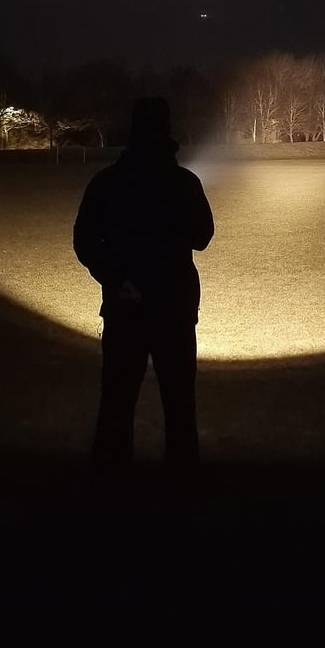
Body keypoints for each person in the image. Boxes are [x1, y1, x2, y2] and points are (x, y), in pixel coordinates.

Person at [73, 96, 214, 499]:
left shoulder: (107, 183)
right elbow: (202, 237)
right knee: (179, 404)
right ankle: (184, 489)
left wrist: (116, 279)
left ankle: (109, 489)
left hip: (125, 308)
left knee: (117, 403)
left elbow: (85, 242)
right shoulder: (184, 183)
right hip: (174, 308)